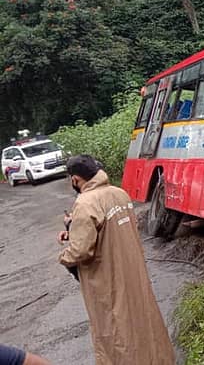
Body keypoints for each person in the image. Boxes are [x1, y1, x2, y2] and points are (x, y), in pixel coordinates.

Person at [56, 155, 175, 365]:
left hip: (107, 279)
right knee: (142, 319)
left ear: (75, 179)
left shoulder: (85, 203)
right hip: (132, 271)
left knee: (115, 330)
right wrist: (73, 229)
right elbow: (111, 230)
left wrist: (64, 257)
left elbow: (81, 251)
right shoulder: (119, 193)